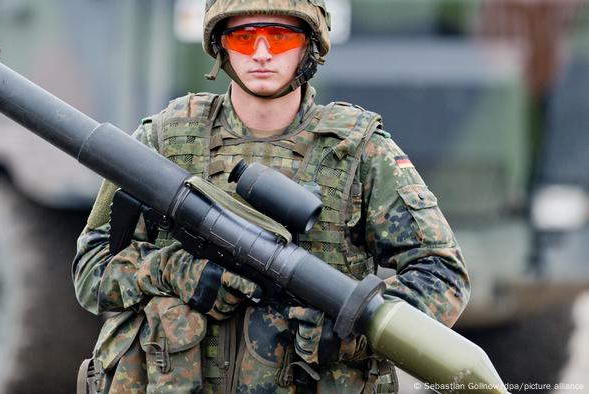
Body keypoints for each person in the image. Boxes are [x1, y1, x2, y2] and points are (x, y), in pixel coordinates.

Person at [73, 1, 470, 393]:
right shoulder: (166, 140)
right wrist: (177, 271)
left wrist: (353, 331)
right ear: (221, 45)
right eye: (244, 38)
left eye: (279, 37)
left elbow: (443, 275)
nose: (261, 53)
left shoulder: (358, 151)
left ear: (309, 44)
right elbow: (91, 272)